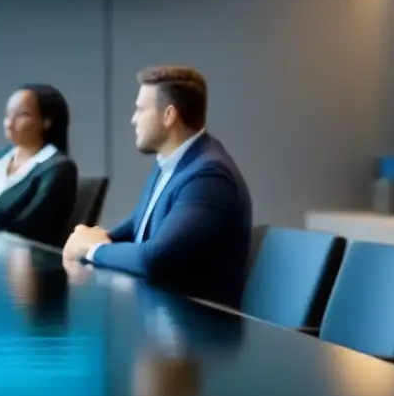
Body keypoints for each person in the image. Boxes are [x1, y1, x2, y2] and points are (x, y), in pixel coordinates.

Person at [62, 65, 252, 309]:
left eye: (141, 109)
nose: (133, 119)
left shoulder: (207, 176)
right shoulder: (174, 162)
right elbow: (138, 223)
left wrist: (93, 248)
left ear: (169, 115)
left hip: (198, 332)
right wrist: (96, 236)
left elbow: (154, 259)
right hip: (162, 317)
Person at [0, 84, 78, 247]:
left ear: (46, 121)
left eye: (21, 115)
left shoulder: (58, 168)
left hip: (21, 264)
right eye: (8, 114)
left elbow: (29, 227)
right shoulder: (0, 158)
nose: (9, 123)